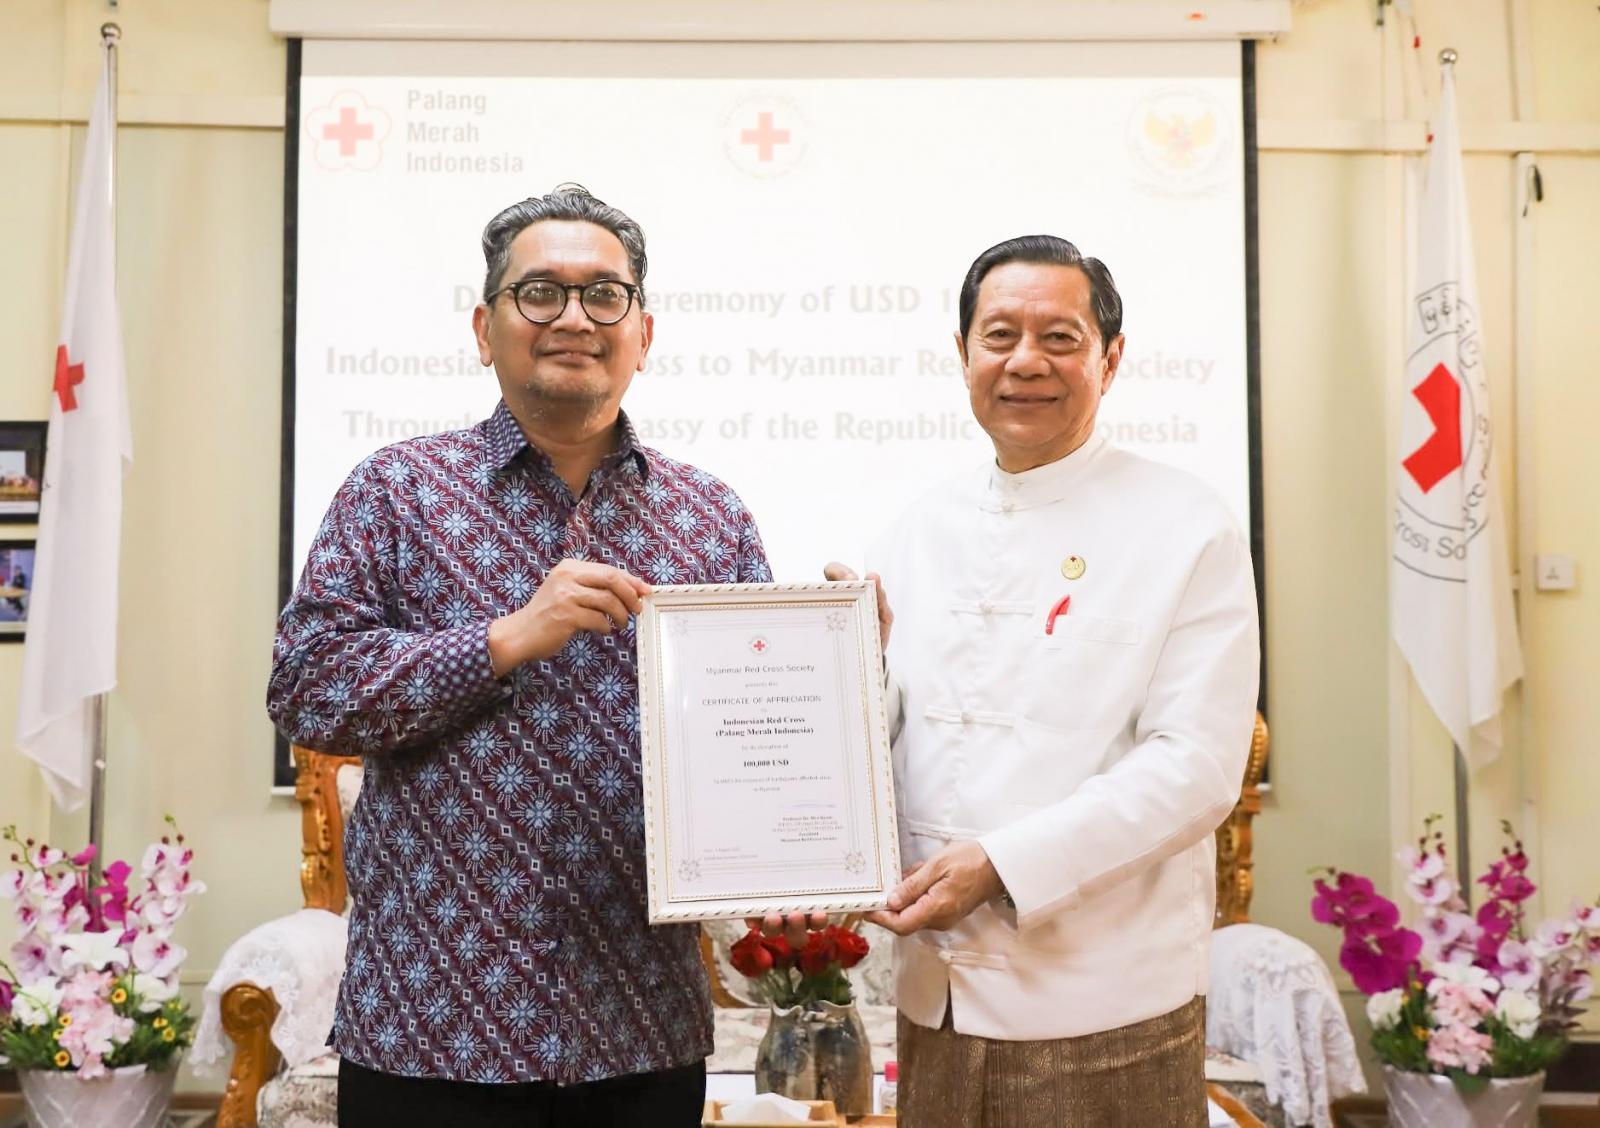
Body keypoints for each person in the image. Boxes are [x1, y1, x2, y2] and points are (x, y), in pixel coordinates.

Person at [267, 185, 774, 1127]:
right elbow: (306, 689)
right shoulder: (396, 492)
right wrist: (500, 642)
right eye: (539, 292)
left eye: (604, 295)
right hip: (430, 1026)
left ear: (643, 333)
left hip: (639, 1028)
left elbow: (751, 745)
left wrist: (843, 673)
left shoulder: (712, 517)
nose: (574, 318)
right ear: (484, 327)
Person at [841, 235, 1260, 1126]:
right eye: (999, 336)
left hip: (1103, 1005)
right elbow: (892, 739)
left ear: (1111, 358)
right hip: (935, 1000)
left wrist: (1003, 863)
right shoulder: (916, 528)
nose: (1025, 361)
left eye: (1059, 338)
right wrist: (848, 672)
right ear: (963, 355)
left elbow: (1196, 767)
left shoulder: (1188, 525)